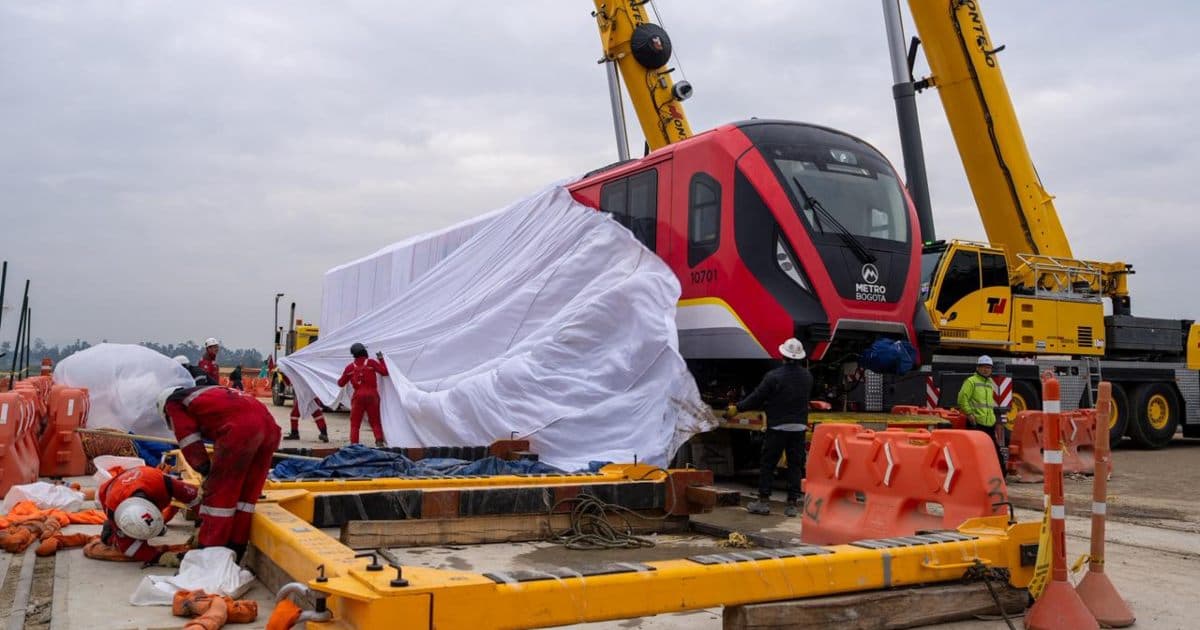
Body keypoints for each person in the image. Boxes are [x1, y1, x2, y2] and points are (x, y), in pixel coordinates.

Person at [156, 384, 281, 561]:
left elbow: (188, 439)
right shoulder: (210, 392)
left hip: (240, 430)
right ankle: (235, 549)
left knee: (218, 499)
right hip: (270, 430)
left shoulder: (174, 403)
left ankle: (208, 553)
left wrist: (205, 469)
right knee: (246, 497)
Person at [726, 337, 813, 517]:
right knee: (795, 466)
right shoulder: (807, 377)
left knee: (768, 464)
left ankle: (763, 502)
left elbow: (757, 397)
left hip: (778, 428)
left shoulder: (774, 377)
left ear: (783, 356)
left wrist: (737, 408)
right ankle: (791, 505)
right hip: (798, 428)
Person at [93, 465, 200, 565]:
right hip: (111, 491)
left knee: (156, 528)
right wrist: (159, 557)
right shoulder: (113, 510)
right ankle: (110, 531)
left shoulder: (161, 482)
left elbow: (195, 497)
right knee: (112, 540)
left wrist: (203, 525)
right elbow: (130, 549)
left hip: (144, 477)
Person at [956, 355, 1008, 470]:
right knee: (974, 453)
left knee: (995, 451)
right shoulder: (971, 381)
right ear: (978, 368)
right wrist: (970, 414)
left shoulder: (989, 383)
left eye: (988, 367)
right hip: (976, 423)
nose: (986, 369)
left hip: (989, 424)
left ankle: (1000, 475)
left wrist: (993, 419)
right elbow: (962, 399)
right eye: (983, 367)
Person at [337, 343, 389, 447]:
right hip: (373, 396)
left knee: (355, 423)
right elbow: (385, 372)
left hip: (358, 397)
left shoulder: (350, 367)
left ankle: (354, 445)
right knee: (375, 420)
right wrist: (381, 359)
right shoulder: (371, 362)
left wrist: (349, 375)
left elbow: (340, 383)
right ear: (364, 351)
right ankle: (379, 441)